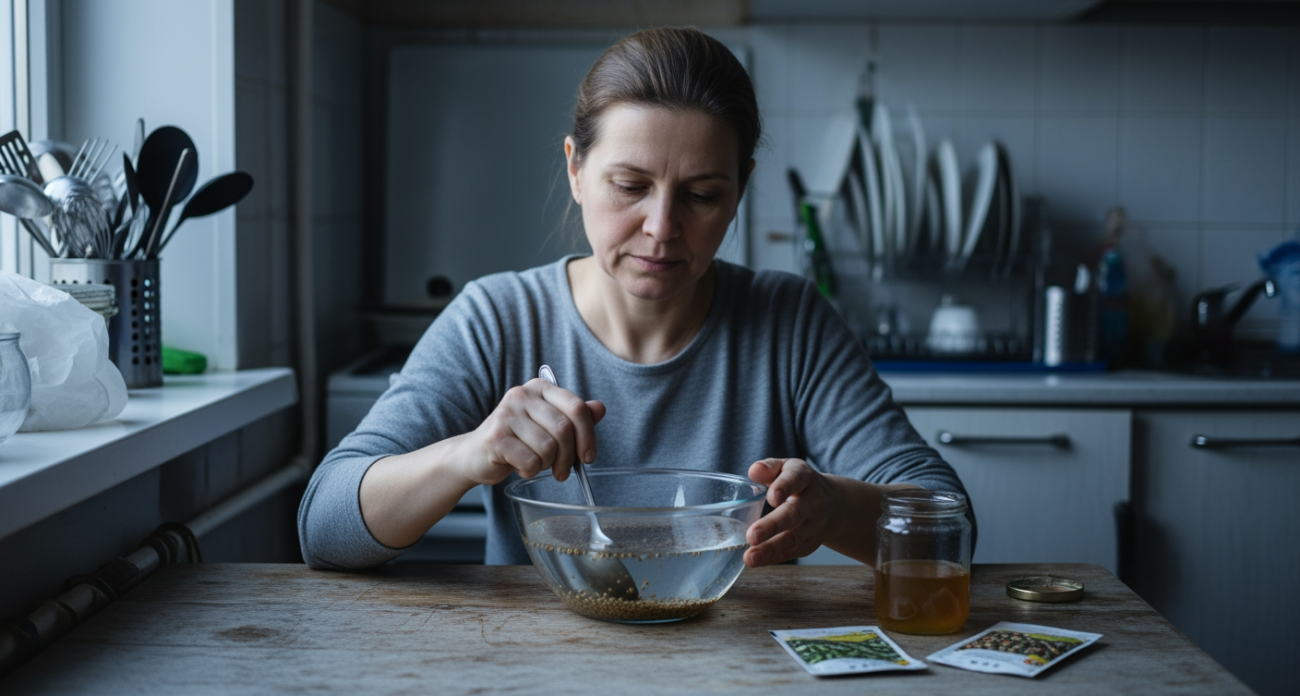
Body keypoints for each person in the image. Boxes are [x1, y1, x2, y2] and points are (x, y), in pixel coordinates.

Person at [298, 27, 973, 570]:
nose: (661, 228)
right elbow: (324, 529)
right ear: (575, 169)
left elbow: (953, 527)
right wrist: (466, 455)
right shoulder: (496, 317)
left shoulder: (788, 322)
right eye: (629, 186)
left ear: (740, 190)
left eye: (703, 195)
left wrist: (835, 506)